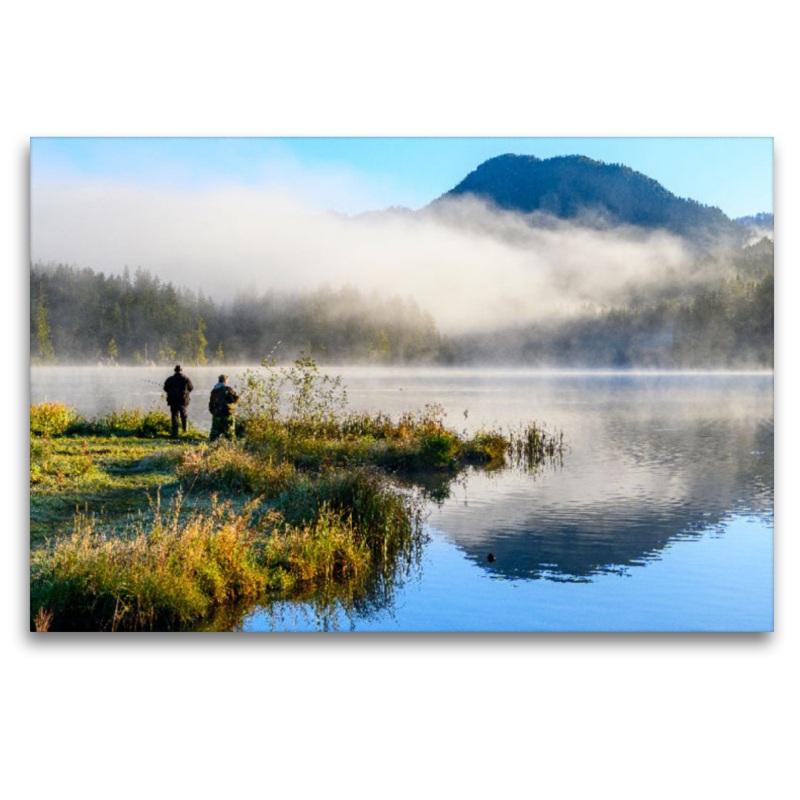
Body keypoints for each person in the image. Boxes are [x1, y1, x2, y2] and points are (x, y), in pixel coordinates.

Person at [163, 365, 194, 438]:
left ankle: (175, 432)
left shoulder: (170, 379)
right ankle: (185, 431)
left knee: (174, 416)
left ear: (175, 371)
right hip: (183, 401)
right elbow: (191, 388)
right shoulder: (186, 379)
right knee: (184, 415)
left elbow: (165, 388)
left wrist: (171, 392)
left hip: (173, 400)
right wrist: (186, 393)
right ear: (181, 371)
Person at [209, 374, 240, 441]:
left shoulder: (214, 390)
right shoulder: (228, 389)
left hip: (216, 414)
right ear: (225, 381)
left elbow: (211, 403)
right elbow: (235, 399)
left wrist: (213, 412)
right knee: (229, 433)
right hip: (227, 414)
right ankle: (231, 448)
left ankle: (212, 446)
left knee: (215, 432)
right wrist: (238, 398)